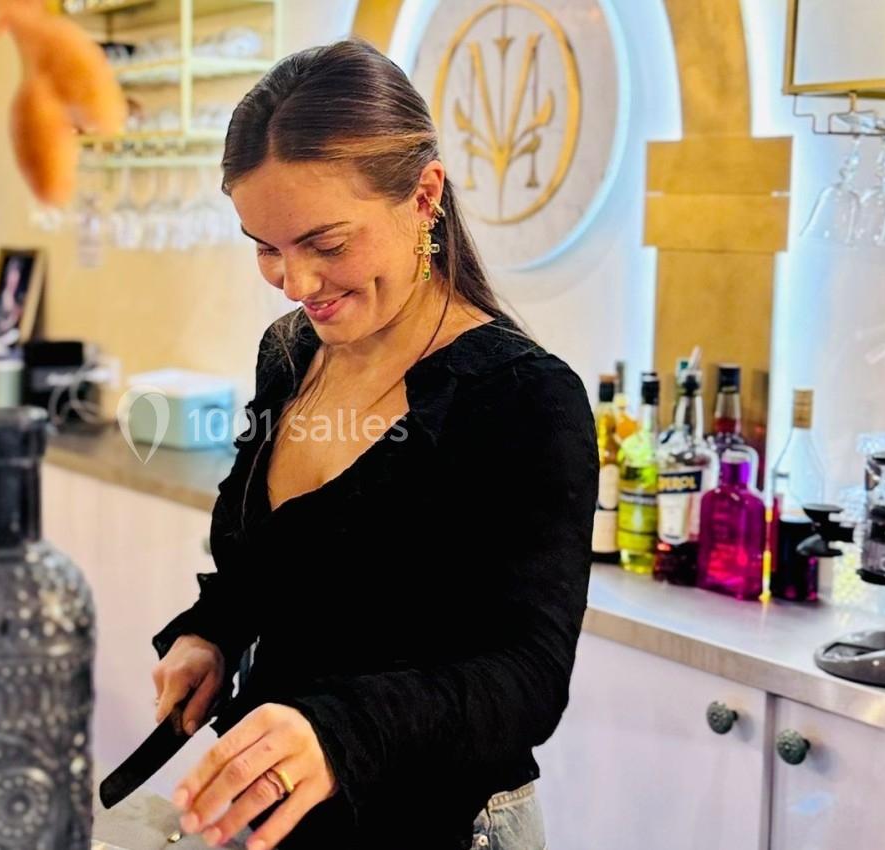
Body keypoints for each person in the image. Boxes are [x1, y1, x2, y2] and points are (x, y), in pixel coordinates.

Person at [149, 38, 598, 850]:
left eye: (325, 245)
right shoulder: (290, 353)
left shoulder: (522, 396)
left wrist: (336, 734)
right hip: (282, 819)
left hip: (442, 824)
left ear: (425, 195)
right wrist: (209, 632)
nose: (295, 282)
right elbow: (271, 555)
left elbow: (529, 678)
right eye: (265, 247)